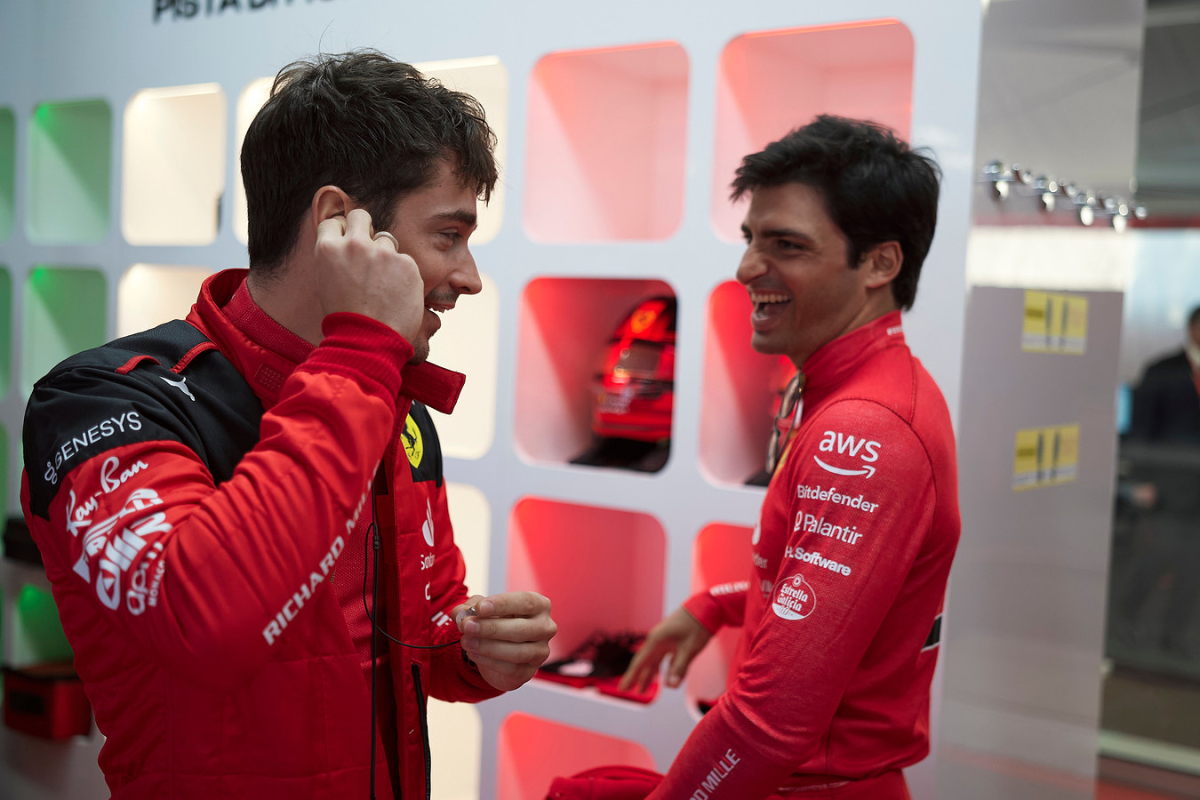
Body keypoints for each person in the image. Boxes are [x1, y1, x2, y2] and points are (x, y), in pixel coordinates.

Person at [20, 50, 555, 800]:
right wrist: (363, 352)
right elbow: (206, 623)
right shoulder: (104, 402)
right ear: (341, 222)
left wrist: (471, 651)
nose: (468, 277)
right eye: (448, 235)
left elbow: (412, 629)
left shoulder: (387, 401)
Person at [620, 116, 959, 800]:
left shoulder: (866, 430)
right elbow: (849, 596)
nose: (747, 268)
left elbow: (773, 721)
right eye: (750, 239)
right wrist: (718, 603)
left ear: (880, 264)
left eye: (787, 245)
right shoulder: (854, 392)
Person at [1114, 305, 1200, 655]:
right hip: (1166, 490)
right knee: (1154, 558)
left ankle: (1174, 632)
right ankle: (1126, 620)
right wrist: (1142, 482)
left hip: (1198, 494)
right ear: (1193, 328)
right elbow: (1140, 432)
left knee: (1193, 567)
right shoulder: (1162, 370)